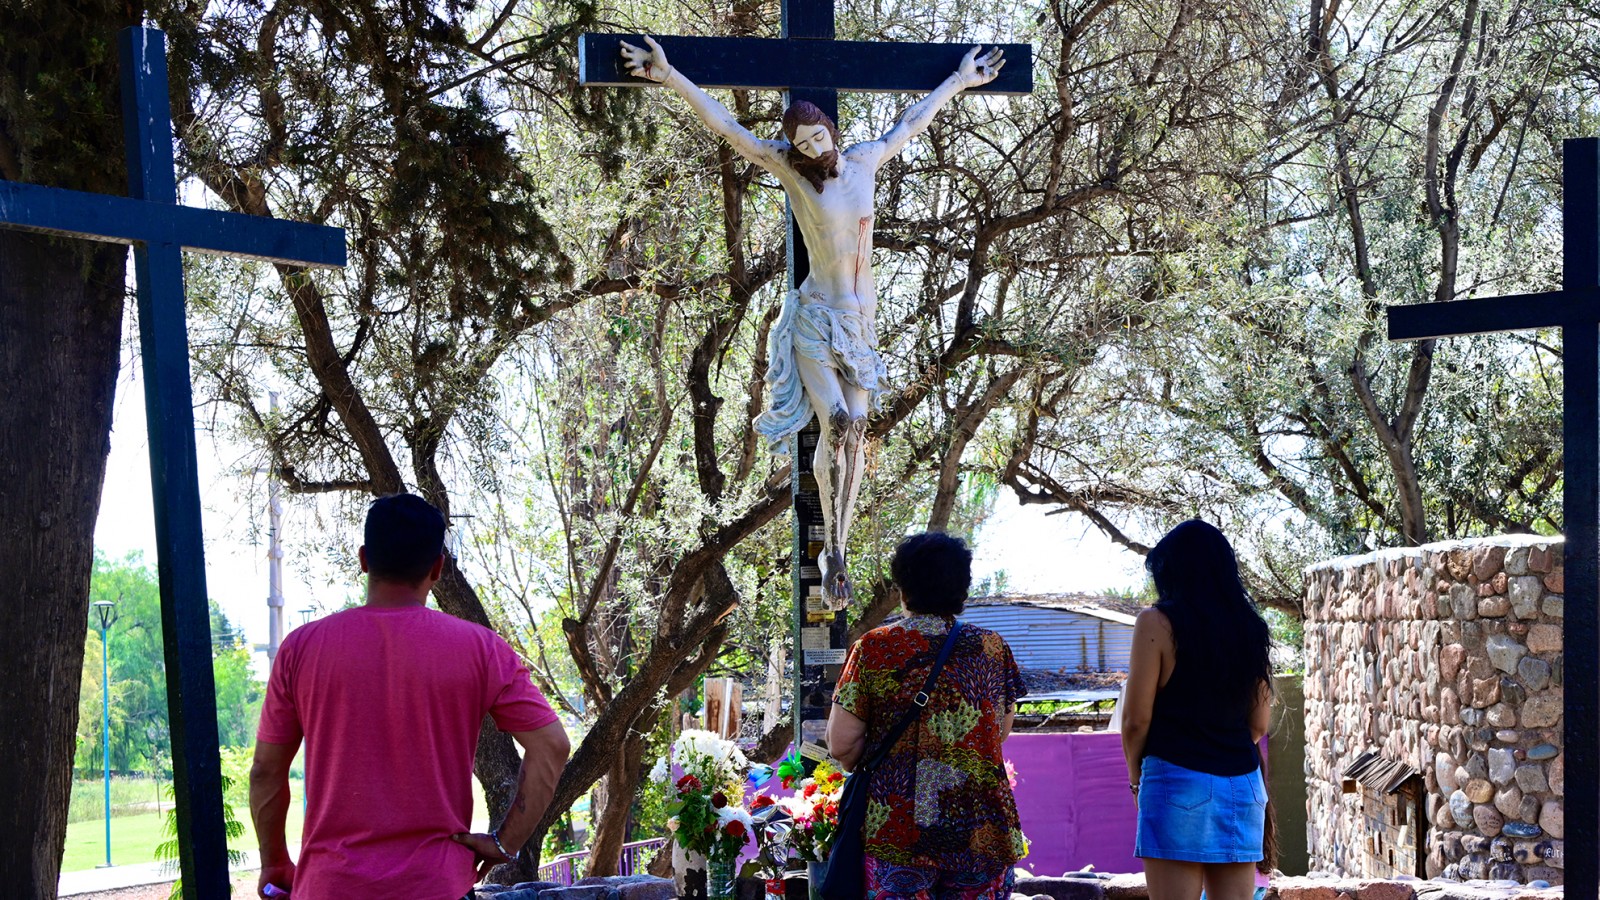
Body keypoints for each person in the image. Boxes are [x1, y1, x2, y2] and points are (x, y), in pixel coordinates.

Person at [618, 36, 1004, 603]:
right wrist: (671, 77)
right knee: (841, 424)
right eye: (802, 143)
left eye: (819, 137)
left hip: (861, 324)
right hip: (816, 316)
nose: (813, 147)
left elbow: (912, 121)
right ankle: (836, 554)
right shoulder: (791, 170)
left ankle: (837, 545)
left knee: (857, 433)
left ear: (833, 133)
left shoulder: (866, 160)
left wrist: (961, 80)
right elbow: (730, 128)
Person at [250, 494, 571, 899]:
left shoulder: (301, 649)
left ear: (365, 559)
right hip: (437, 887)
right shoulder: (480, 649)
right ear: (437, 568)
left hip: (330, 887)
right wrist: (505, 843)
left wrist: (274, 860)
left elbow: (266, 771)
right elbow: (552, 745)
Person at [826, 532, 1026, 900]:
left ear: (903, 588)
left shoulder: (874, 648)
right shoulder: (992, 648)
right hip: (980, 828)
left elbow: (841, 744)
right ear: (962, 589)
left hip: (898, 830)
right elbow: (998, 732)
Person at [1121, 519, 1273, 900]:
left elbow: (1136, 721)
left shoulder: (1156, 623)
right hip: (1244, 786)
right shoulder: (1251, 629)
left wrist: (1136, 779)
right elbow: (1259, 723)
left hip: (1176, 780)